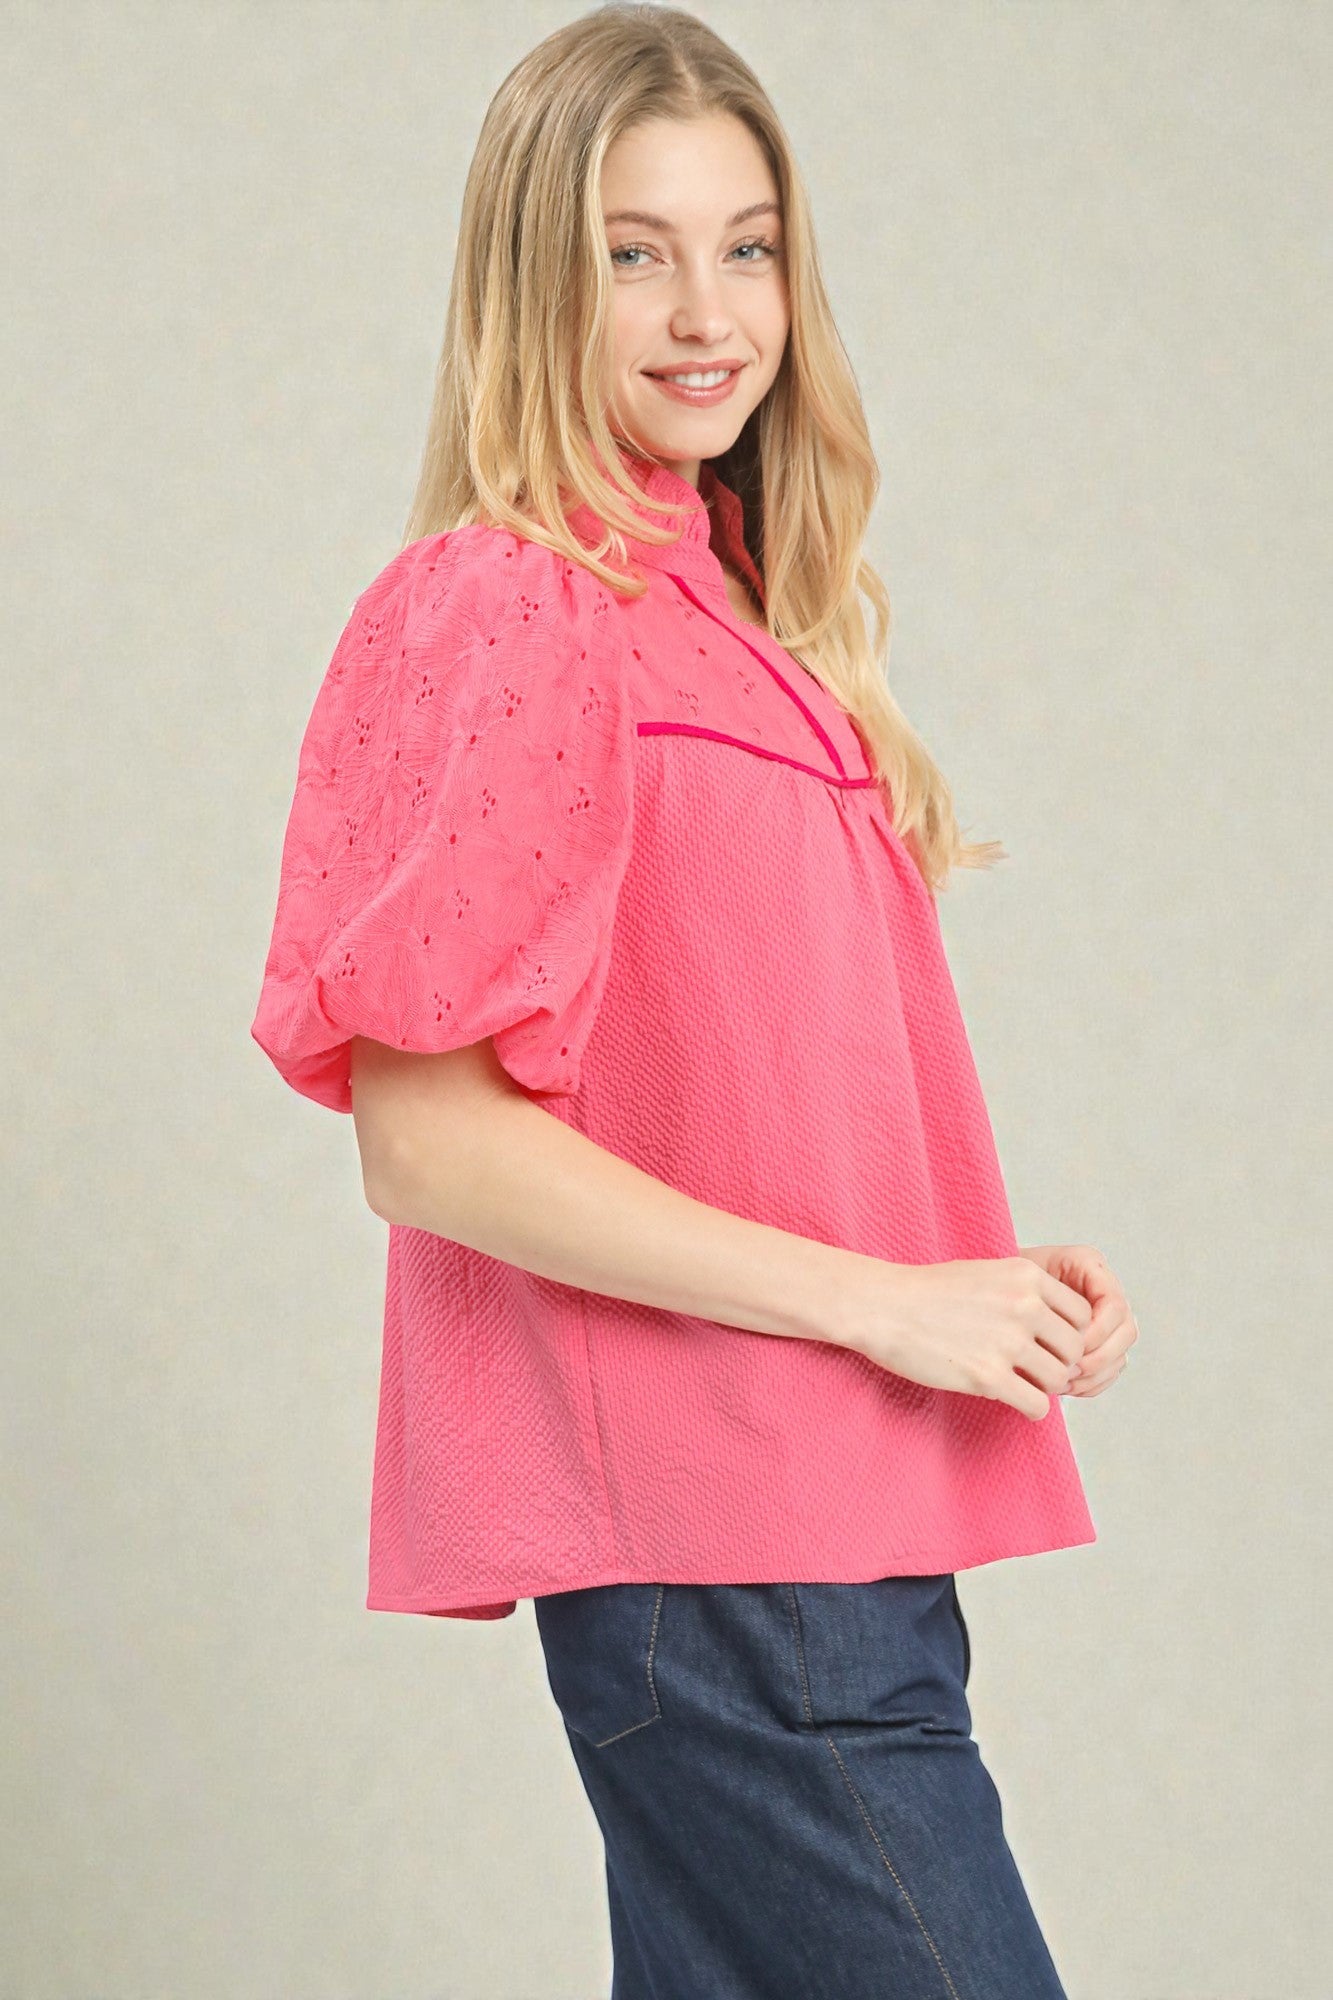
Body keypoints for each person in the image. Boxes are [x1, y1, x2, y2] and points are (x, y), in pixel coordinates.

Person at [250, 6, 1139, 1994]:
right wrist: (890, 1299)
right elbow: (431, 1134)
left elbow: (737, 1086)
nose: (702, 310)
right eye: (630, 251)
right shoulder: (509, 604)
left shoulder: (736, 627)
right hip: (733, 1561)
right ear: (532, 278)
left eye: (744, 245)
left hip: (831, 1542)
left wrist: (971, 1272)